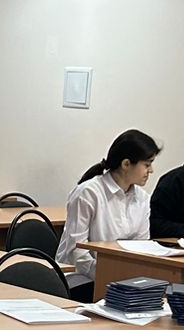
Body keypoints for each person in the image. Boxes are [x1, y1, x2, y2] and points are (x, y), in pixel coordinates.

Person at [56, 129, 162, 302]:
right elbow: (77, 253)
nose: (151, 171)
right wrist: (112, 277)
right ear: (126, 164)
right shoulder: (88, 193)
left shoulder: (143, 198)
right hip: (79, 278)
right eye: (147, 164)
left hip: (118, 278)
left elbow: (141, 248)